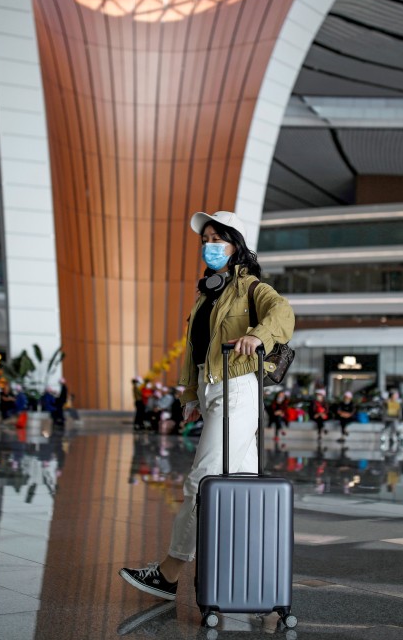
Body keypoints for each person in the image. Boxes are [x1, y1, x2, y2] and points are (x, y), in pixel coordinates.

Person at [119, 209, 294, 601]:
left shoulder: (250, 287)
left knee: (204, 481)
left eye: (217, 239)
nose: (209, 246)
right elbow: (194, 351)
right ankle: (257, 578)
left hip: (238, 387)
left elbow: (282, 313)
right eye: (205, 240)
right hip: (215, 390)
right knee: (242, 487)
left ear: (236, 245)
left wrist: (257, 336)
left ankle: (169, 573)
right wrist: (190, 396)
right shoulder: (206, 295)